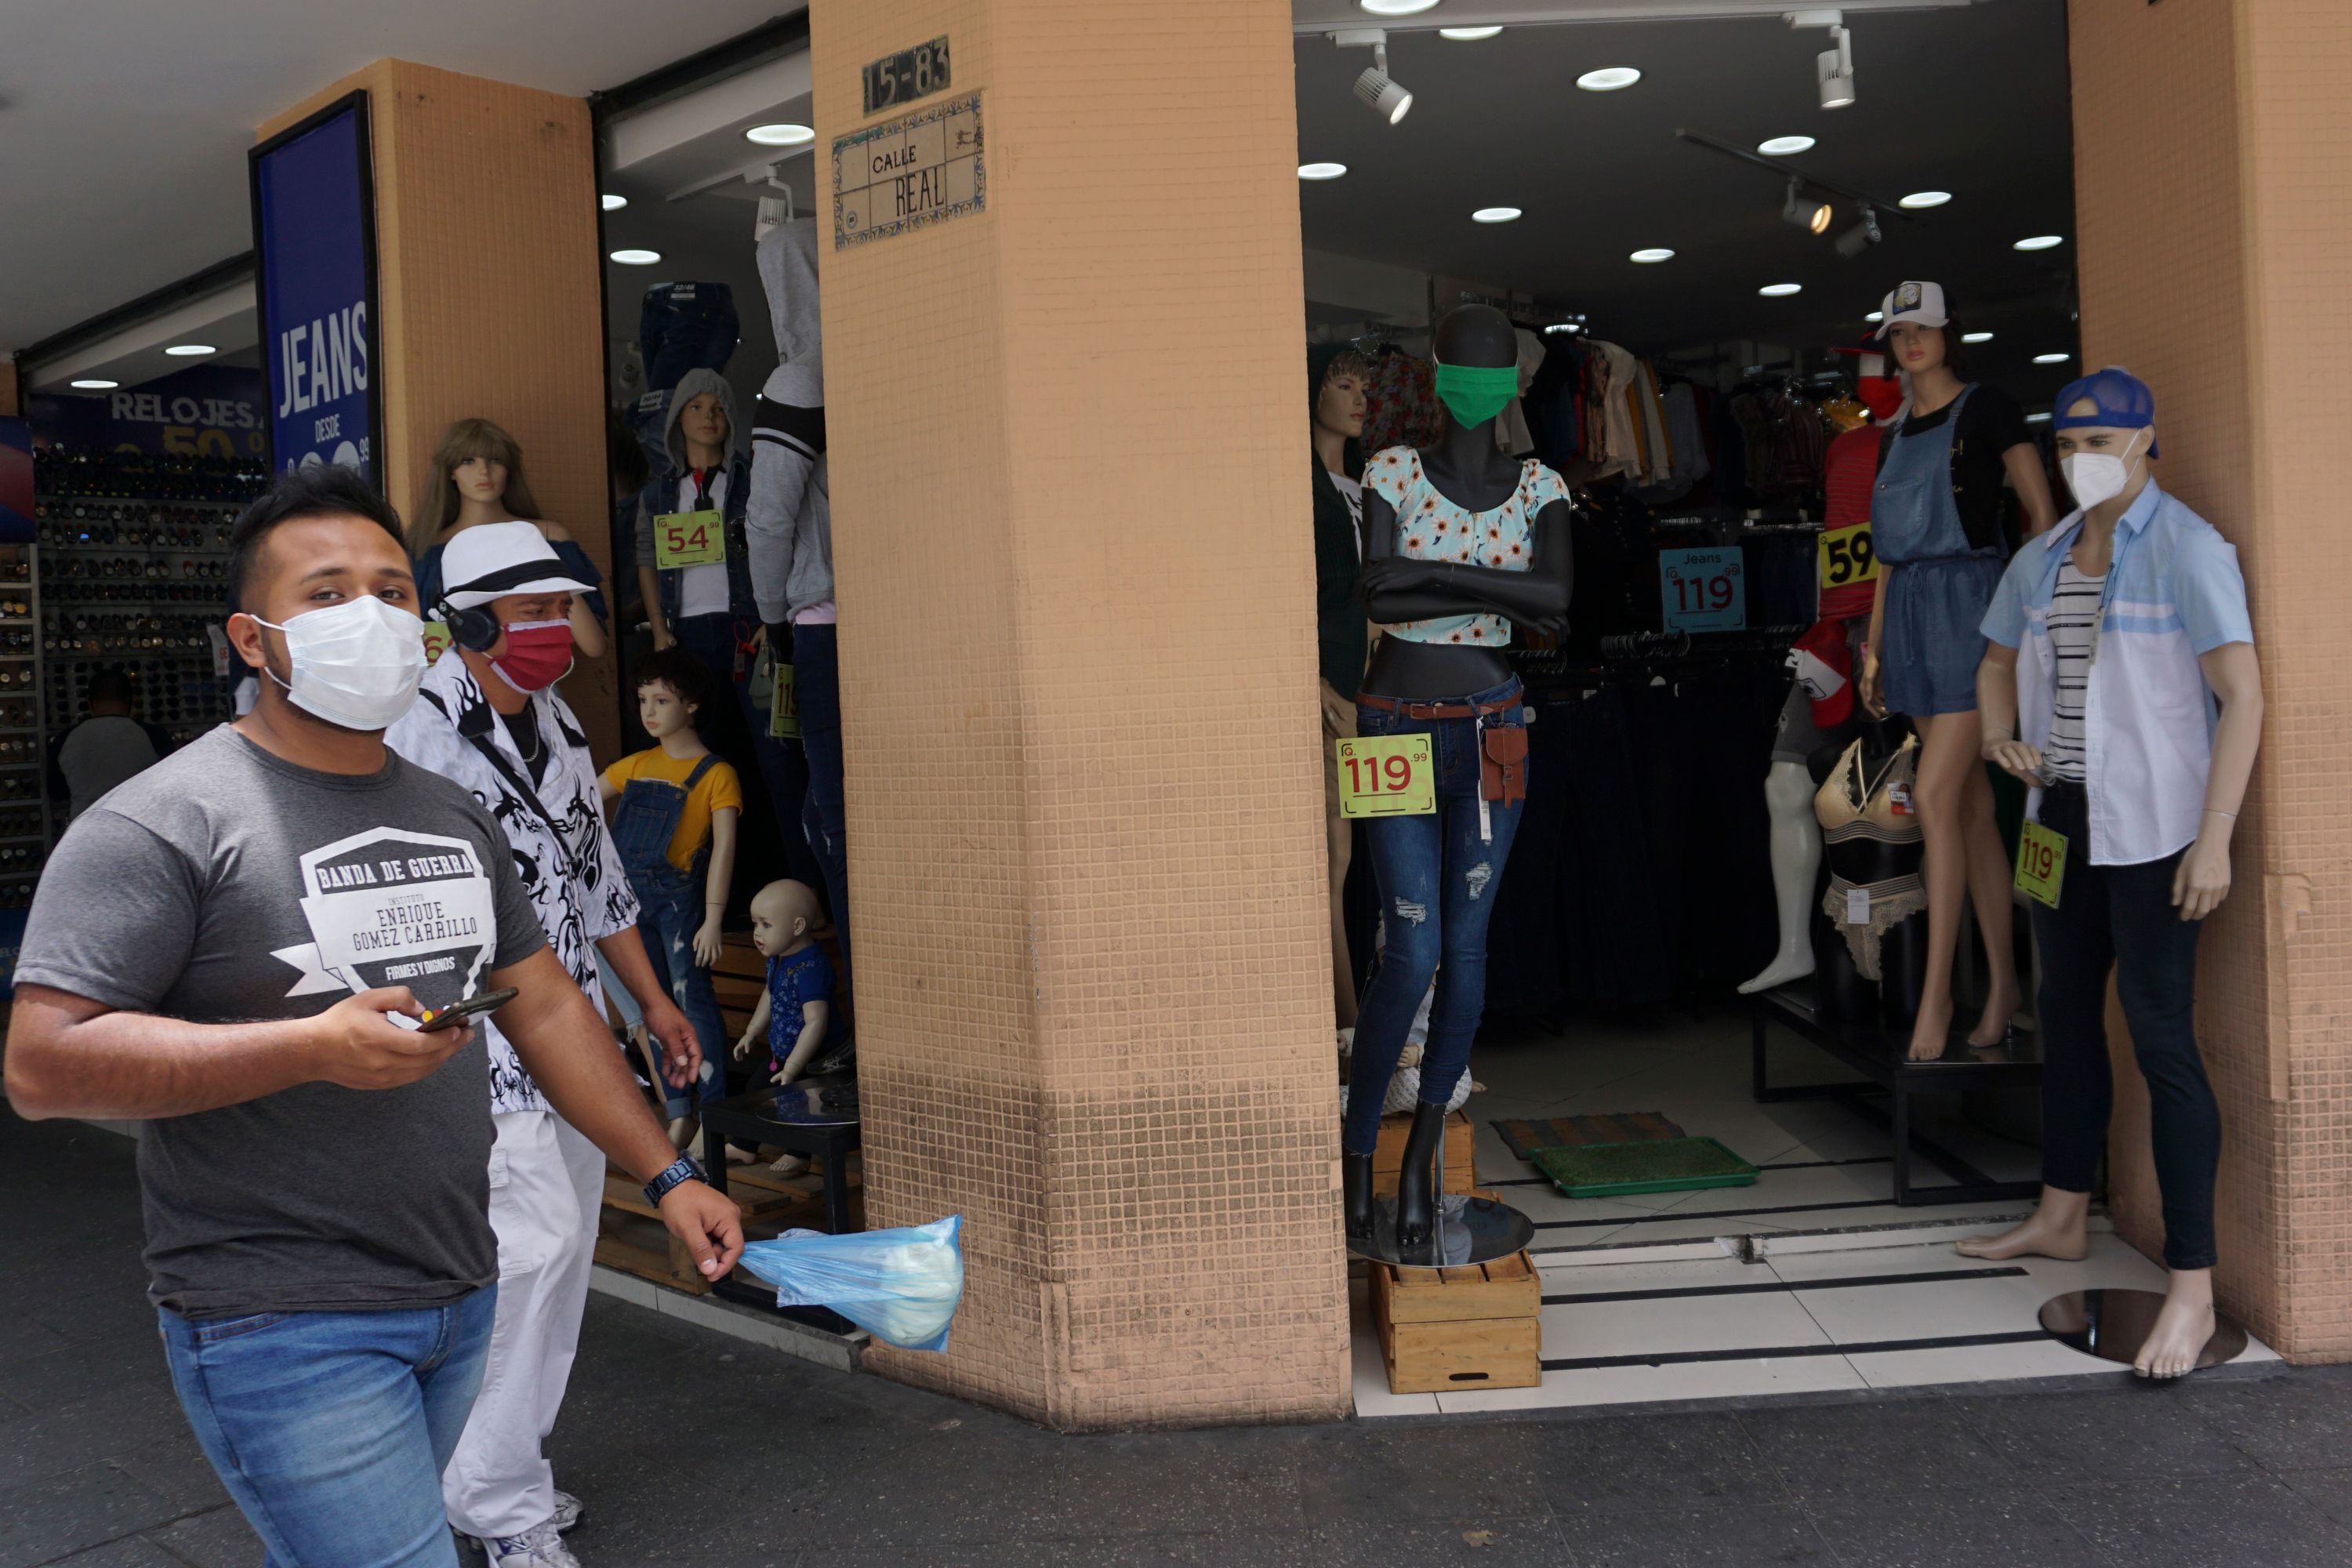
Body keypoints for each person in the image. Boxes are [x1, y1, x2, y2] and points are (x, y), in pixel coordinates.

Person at [2, 466, 742, 1568]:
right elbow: (42, 1066)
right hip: (278, 1314)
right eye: (328, 593)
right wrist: (309, 1048)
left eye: (394, 591)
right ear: (253, 641)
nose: (373, 618)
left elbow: (540, 998)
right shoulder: (162, 822)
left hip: (453, 1293)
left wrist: (668, 1175)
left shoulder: (447, 809)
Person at [385, 521, 706, 1563]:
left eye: (560, 610)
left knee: (553, 1273)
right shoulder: (412, 735)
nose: (553, 631)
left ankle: (489, 1469)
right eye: (531, 613)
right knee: (537, 1248)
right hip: (475, 1042)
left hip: (577, 1040)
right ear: (470, 620)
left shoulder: (563, 727)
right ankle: (505, 1510)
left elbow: (598, 881)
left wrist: (654, 1003)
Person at [1963, 368, 2261, 1380]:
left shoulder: (2188, 550)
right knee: (2065, 1011)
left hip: (2159, 833)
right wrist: (2002, 736)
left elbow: (2243, 695)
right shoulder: (2046, 556)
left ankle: (2192, 1285)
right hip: (2061, 818)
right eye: (2065, 440)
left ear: (2145, 441)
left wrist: (2217, 834)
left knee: (2162, 1037)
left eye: (2099, 438)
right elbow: (1996, 657)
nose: (2079, 454)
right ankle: (2060, 1212)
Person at [1856, 280, 2057, 1060]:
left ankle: (1938, 995)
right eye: (1899, 330)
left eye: (1924, 328)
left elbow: (2040, 516)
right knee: (1969, 806)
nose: (1911, 341)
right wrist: (1874, 648)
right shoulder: (1890, 431)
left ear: (1950, 333)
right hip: (1909, 613)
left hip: (1976, 608)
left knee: (1934, 796)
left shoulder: (1989, 407)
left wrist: (2016, 633)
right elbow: (1882, 557)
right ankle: (2004, 983)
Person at [600, 647, 742, 1134]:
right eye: (643, 701)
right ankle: (680, 1113)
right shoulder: (635, 766)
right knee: (652, 1002)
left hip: (681, 903)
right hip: (629, 903)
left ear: (693, 705)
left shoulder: (715, 774)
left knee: (693, 1001)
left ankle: (717, 1117)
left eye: (662, 701)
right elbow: (573, 808)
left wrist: (714, 917)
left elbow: (724, 850)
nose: (649, 712)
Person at [412, 418, 611, 661]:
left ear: (510, 469)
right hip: (453, 688)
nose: (484, 471)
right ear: (450, 471)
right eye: (468, 461)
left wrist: (544, 565)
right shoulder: (428, 551)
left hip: (534, 684)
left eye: (496, 460)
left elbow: (594, 645)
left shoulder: (548, 536)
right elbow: (421, 645)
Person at [1308, 343, 1371, 1035]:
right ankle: (1347, 1027)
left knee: (1356, 858)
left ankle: (1360, 1024)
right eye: (1343, 384)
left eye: (1362, 386)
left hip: (1366, 694)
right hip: (1329, 693)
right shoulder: (1302, 485)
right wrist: (1313, 675)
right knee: (1333, 859)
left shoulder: (1360, 485)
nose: (1357, 398)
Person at [49, 666, 165, 818]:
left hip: (84, 828)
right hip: (138, 826)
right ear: (130, 700)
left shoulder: (65, 739)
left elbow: (56, 792)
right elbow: (167, 788)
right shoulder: (154, 736)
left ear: (90, 702)